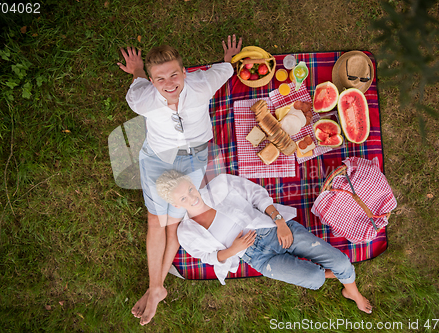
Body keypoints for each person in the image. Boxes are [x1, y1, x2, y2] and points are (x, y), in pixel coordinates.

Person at [116, 35, 243, 325]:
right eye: (160, 78)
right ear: (151, 81)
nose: (169, 82)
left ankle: (156, 288)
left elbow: (224, 71)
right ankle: (155, 286)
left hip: (194, 156)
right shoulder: (141, 100)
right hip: (158, 159)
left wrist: (228, 58)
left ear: (185, 72)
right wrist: (136, 70)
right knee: (155, 221)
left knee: (173, 222)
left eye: (175, 74)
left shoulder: (201, 86)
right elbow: (137, 83)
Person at [156, 170, 373, 314]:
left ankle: (352, 292)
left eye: (190, 189)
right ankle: (327, 273)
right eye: (183, 198)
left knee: (343, 263)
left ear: (192, 183)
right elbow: (207, 257)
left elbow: (257, 196)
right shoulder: (185, 231)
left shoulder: (220, 184)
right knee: (314, 279)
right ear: (174, 203)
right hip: (256, 257)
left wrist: (279, 222)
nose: (192, 198)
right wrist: (233, 250)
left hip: (271, 231)